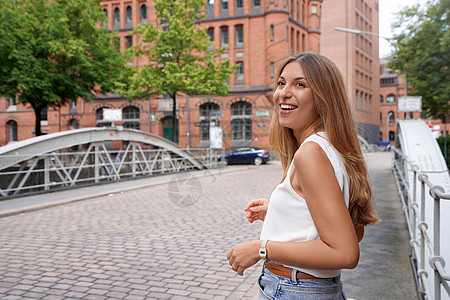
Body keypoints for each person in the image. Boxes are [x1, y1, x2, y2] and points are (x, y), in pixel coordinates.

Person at [226, 52, 379, 299]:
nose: (283, 93)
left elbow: (345, 252)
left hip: (293, 289)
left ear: (323, 98)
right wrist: (278, 210)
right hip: (310, 288)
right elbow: (350, 229)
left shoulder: (310, 154)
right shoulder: (331, 146)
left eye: (300, 84)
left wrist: (260, 249)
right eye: (281, 83)